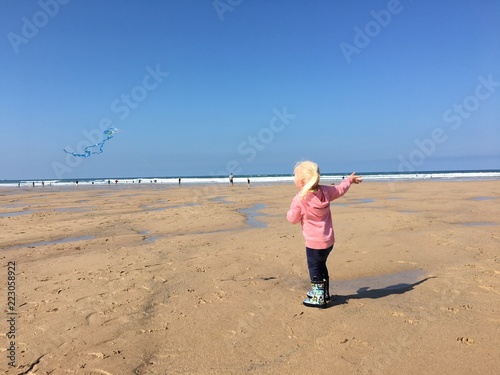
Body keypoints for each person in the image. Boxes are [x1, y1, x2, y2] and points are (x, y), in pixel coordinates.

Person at [286, 161, 362, 308]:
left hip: (314, 244)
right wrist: (349, 181)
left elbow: (293, 219)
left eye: (295, 176)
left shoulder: (300, 199)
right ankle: (324, 291)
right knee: (321, 265)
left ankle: (319, 297)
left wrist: (290, 213)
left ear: (301, 182)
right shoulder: (325, 191)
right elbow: (340, 190)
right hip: (328, 242)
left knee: (314, 268)